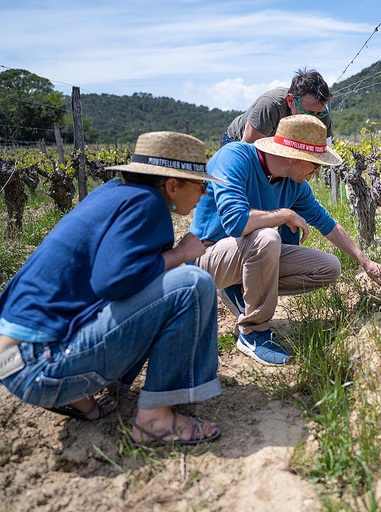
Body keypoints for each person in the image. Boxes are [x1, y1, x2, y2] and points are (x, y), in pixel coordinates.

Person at [0, 131, 224, 446]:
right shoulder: (148, 203)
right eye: (202, 185)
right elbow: (114, 282)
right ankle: (156, 419)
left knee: (152, 284)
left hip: (15, 362)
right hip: (42, 364)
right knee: (191, 285)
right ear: (172, 185)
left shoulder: (112, 193)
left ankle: (82, 399)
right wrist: (181, 255)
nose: (204, 194)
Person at [191, 114, 381, 366]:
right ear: (291, 156)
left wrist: (366, 262)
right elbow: (236, 223)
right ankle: (253, 332)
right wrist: (285, 214)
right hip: (207, 258)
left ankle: (245, 288)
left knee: (329, 268)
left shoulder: (295, 184)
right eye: (315, 163)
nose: (318, 171)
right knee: (267, 237)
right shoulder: (235, 157)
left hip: (247, 254)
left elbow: (327, 224)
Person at [222, 68, 333, 145]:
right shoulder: (270, 106)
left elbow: (320, 156)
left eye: (318, 113)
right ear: (291, 101)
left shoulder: (322, 115)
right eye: (308, 112)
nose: (314, 119)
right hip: (239, 140)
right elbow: (247, 149)